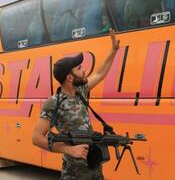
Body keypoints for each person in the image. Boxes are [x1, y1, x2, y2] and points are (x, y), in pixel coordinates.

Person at [32, 29, 120, 180]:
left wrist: (113, 51)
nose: (84, 70)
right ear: (69, 78)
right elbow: (36, 138)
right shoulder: (54, 103)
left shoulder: (82, 91)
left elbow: (100, 73)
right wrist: (69, 150)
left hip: (94, 171)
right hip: (74, 174)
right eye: (79, 69)